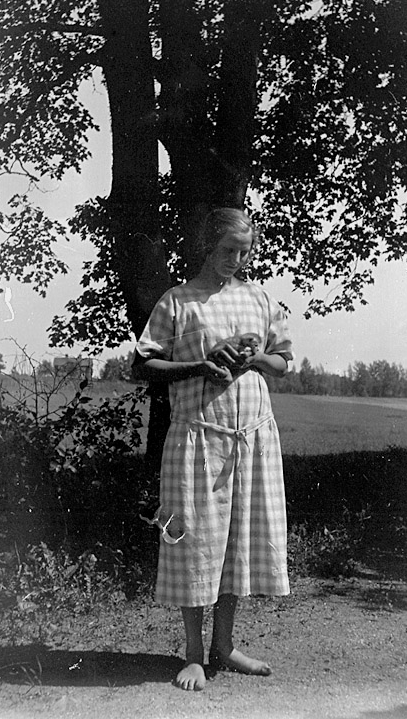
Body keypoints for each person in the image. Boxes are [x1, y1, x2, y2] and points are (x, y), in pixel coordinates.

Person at [132, 208, 293, 692]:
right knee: (196, 543)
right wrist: (200, 365)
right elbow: (142, 366)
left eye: (245, 252)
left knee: (237, 540)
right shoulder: (178, 301)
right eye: (228, 250)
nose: (236, 259)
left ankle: (224, 646)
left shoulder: (258, 298)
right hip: (197, 438)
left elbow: (283, 361)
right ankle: (193, 655)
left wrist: (253, 356)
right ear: (207, 244)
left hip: (252, 437)